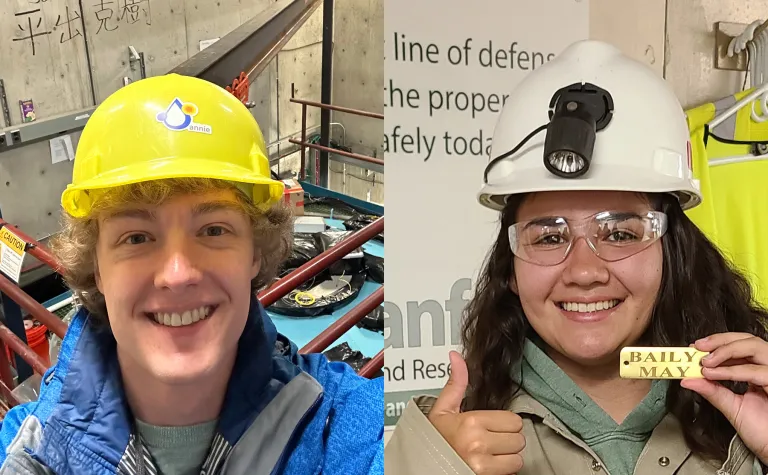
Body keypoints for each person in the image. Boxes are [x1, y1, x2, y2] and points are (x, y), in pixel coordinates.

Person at [384, 40, 768, 475]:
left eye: (620, 233)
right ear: (509, 268)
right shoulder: (444, 445)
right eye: (549, 238)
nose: (584, 272)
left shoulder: (750, 410)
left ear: (672, 252)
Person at [0, 74, 384, 474]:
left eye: (213, 230)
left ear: (254, 251)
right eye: (137, 238)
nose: (178, 274)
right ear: (97, 267)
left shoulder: (340, 426)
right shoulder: (28, 451)